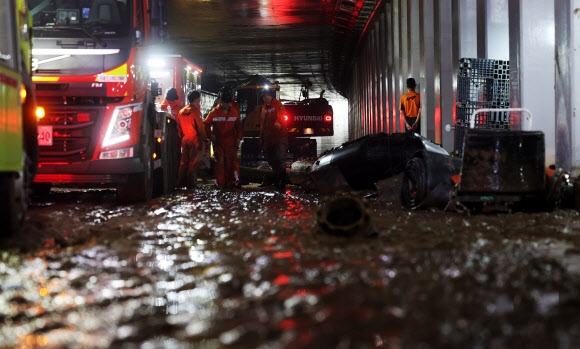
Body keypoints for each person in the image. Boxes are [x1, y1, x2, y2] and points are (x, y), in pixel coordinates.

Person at [204, 88, 243, 189]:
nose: (227, 105)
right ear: (221, 102)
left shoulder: (234, 112)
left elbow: (239, 126)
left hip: (231, 142)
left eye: (228, 103)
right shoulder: (214, 113)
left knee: (232, 163)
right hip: (219, 143)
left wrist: (239, 138)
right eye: (225, 103)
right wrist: (210, 135)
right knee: (220, 164)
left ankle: (234, 183)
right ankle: (220, 184)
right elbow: (206, 125)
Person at [176, 90, 207, 188]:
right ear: (197, 99)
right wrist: (205, 139)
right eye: (199, 99)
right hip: (194, 140)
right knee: (193, 163)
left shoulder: (181, 112)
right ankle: (191, 184)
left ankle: (180, 184)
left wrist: (181, 139)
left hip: (185, 139)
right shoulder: (196, 112)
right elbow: (200, 127)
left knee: (184, 162)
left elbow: (179, 128)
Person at [259, 87, 288, 188]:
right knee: (272, 160)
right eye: (264, 96)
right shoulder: (263, 108)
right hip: (268, 139)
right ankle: (276, 179)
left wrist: (279, 123)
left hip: (278, 138)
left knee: (279, 158)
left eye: (267, 95)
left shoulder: (277, 105)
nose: (265, 98)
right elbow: (263, 125)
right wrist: (261, 138)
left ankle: (282, 180)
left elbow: (282, 116)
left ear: (271, 95)